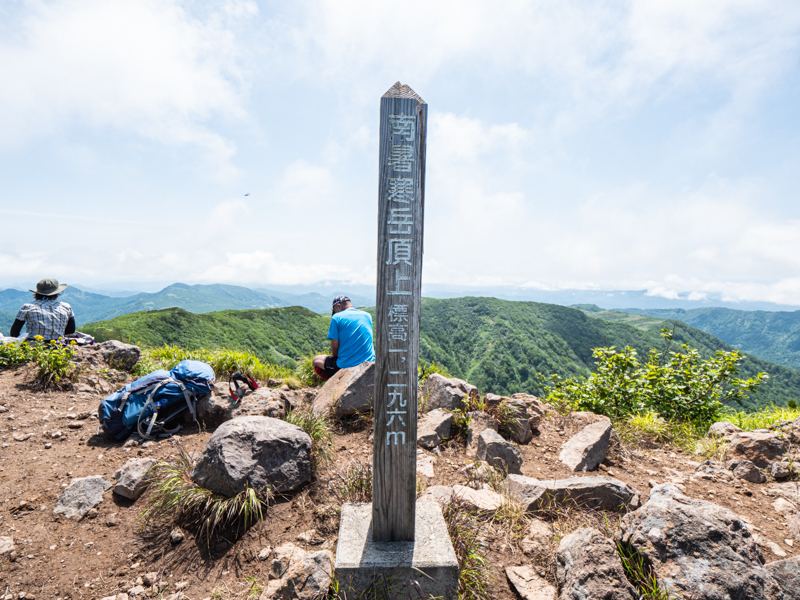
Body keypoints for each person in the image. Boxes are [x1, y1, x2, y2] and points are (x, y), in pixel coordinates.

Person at [313, 295, 375, 380]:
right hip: (369, 361)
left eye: (334, 310)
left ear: (338, 306)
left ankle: (335, 383)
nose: (334, 313)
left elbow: (335, 347)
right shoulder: (367, 315)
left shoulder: (336, 318)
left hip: (347, 364)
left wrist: (336, 356)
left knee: (316, 360)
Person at [9, 278, 76, 340]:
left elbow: (14, 332)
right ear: (57, 293)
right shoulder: (66, 307)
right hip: (58, 345)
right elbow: (71, 330)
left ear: (37, 293)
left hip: (33, 345)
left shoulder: (27, 307)